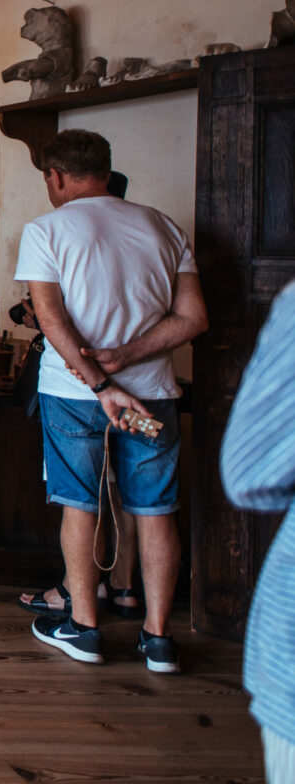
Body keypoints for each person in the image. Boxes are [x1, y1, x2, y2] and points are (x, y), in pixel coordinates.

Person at [15, 129, 207, 671]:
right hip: (154, 396)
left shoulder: (45, 229)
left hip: (75, 393)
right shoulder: (164, 226)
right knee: (155, 510)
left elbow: (50, 320)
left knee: (79, 504)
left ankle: (85, 628)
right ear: (105, 168)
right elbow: (193, 319)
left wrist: (100, 380)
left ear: (54, 176)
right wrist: (127, 356)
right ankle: (159, 638)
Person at [221, 280, 295, 783]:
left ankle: (83, 617)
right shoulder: (164, 237)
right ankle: (154, 632)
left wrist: (97, 378)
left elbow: (249, 474)